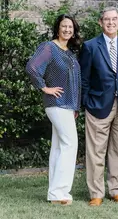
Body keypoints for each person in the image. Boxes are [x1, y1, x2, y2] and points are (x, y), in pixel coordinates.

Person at [79, 6, 118, 207]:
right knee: (96, 150)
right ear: (100, 22)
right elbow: (84, 78)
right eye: (107, 19)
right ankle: (96, 192)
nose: (111, 23)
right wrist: (86, 102)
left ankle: (116, 190)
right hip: (97, 105)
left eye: (114, 19)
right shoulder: (90, 46)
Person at [26, 14, 81, 205]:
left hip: (67, 106)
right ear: (57, 28)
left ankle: (54, 193)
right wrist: (44, 87)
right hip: (57, 103)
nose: (67, 30)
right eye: (64, 26)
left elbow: (73, 81)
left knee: (59, 147)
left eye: (70, 27)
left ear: (74, 31)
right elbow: (32, 67)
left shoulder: (69, 52)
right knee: (70, 145)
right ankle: (60, 192)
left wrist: (75, 106)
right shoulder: (49, 47)